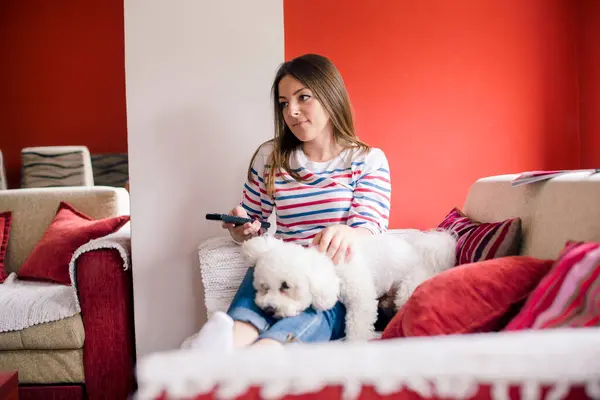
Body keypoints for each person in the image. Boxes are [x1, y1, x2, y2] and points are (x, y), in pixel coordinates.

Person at [184, 53, 391, 352]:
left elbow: (372, 227)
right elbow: (253, 221)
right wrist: (240, 228)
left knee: (319, 307)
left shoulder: (367, 160)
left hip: (331, 276)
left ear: (330, 96)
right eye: (283, 103)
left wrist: (350, 233)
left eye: (303, 97)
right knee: (265, 264)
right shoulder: (271, 157)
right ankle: (227, 342)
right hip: (282, 265)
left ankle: (266, 351)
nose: (291, 111)